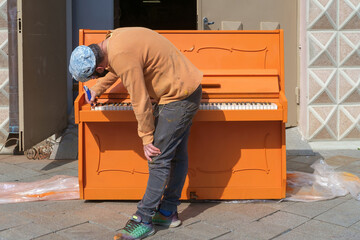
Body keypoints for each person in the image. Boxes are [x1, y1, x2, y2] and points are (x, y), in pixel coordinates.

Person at [69, 27, 202, 240]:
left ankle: (144, 218)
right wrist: (97, 89)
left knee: (157, 156)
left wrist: (147, 138)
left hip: (179, 96)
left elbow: (139, 100)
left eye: (95, 75)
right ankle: (167, 212)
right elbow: (118, 67)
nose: (99, 75)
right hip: (183, 88)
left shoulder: (120, 55)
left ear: (100, 66)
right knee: (175, 155)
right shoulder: (111, 41)